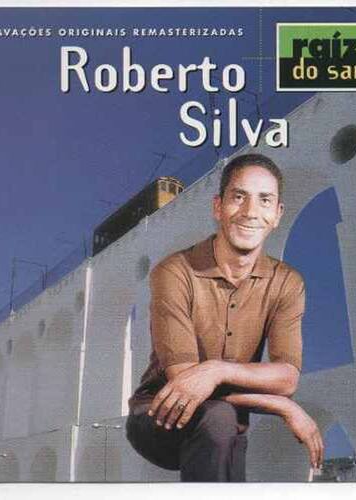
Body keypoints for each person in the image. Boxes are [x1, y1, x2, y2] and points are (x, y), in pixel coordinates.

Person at [126, 153, 324, 482]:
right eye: (239, 197)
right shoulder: (174, 271)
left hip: (226, 422)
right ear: (218, 207)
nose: (250, 212)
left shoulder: (288, 282)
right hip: (158, 411)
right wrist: (282, 406)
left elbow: (287, 377)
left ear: (277, 215)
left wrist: (217, 369)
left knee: (228, 439)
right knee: (220, 418)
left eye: (264, 200)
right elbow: (187, 381)